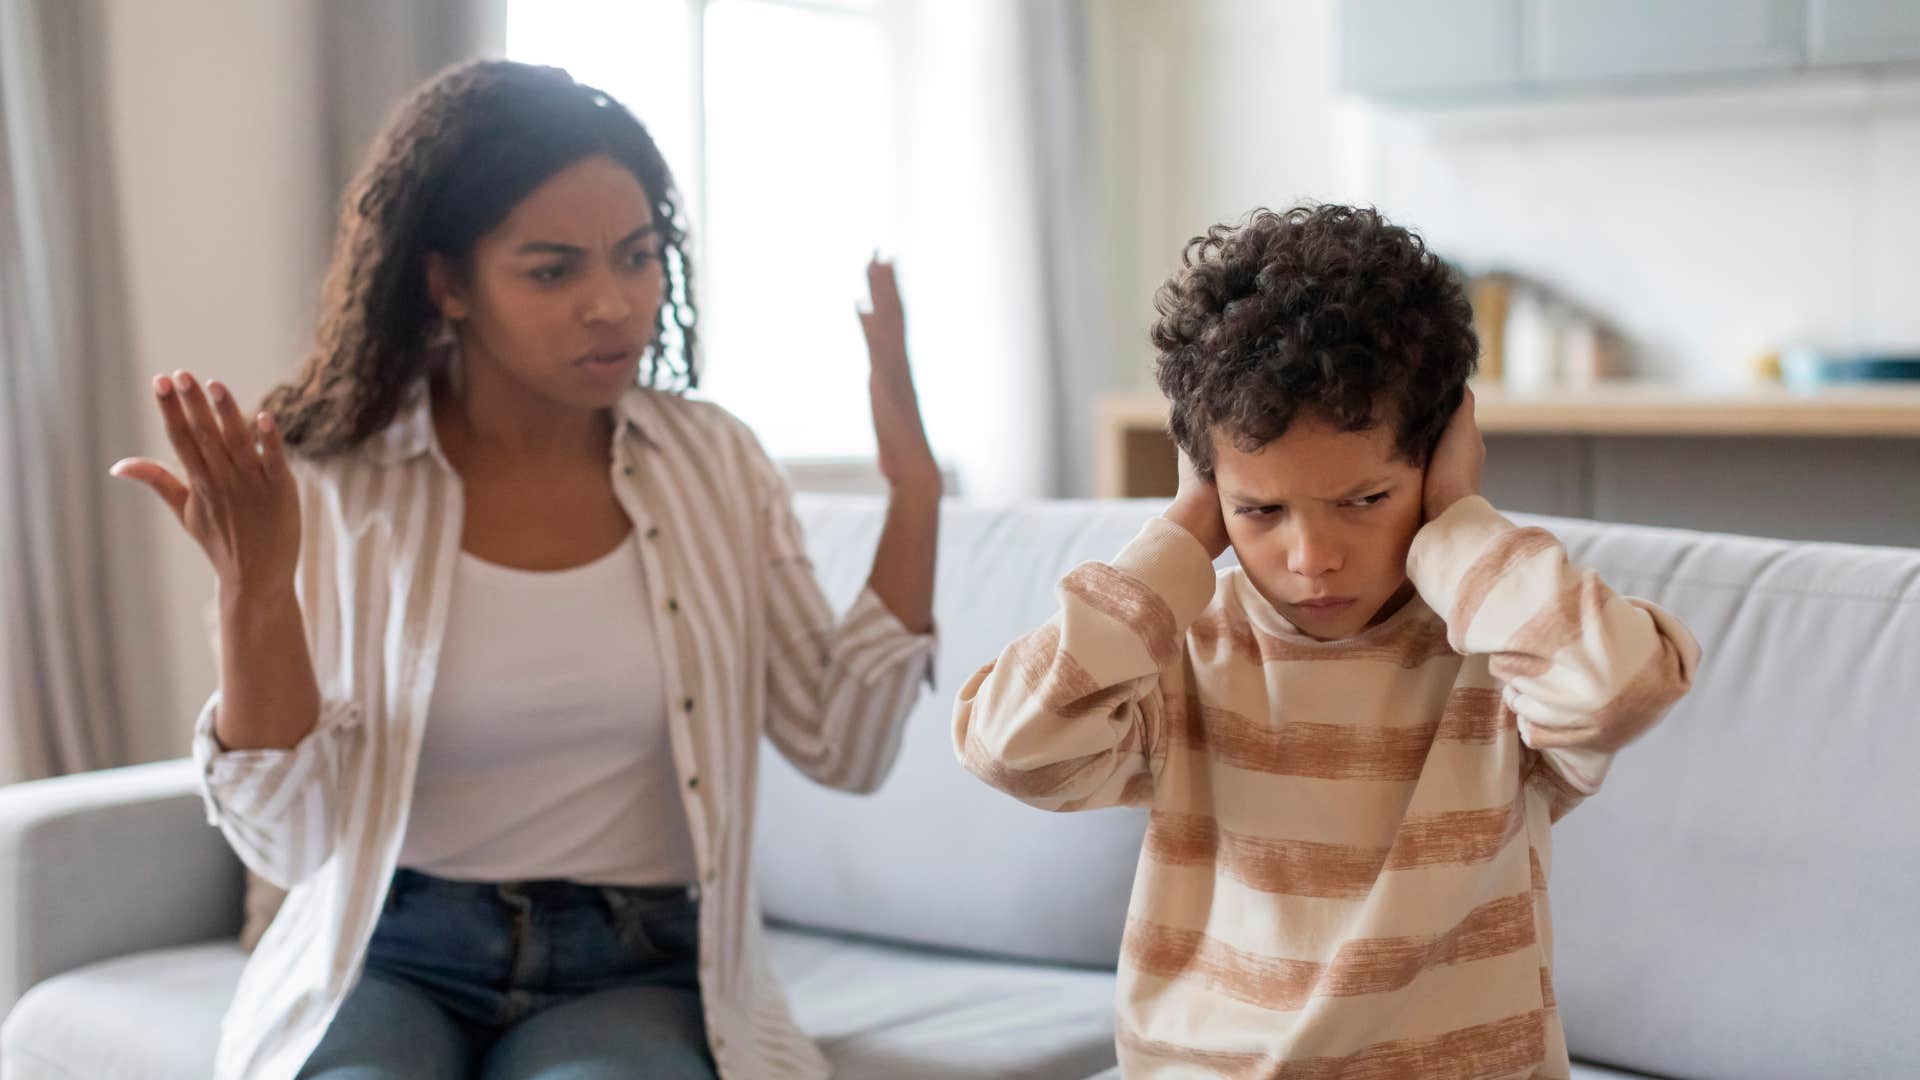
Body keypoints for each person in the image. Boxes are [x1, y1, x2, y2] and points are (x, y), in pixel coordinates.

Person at [110, 60, 941, 1080]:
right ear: (447, 281)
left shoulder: (713, 463)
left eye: (637, 258)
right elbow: (286, 845)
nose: (613, 304)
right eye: (553, 270)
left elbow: (844, 743)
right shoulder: (335, 480)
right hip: (388, 951)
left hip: (634, 967)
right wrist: (255, 588)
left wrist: (916, 492)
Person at [953, 205, 1699, 1076]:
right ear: (1209, 486)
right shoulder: (1181, 653)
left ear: (1441, 458)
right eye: (1261, 510)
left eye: (1364, 500)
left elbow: (1615, 688)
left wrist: (1461, 528)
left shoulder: (1503, 654)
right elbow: (1010, 748)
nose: (1312, 559)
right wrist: (1186, 536)